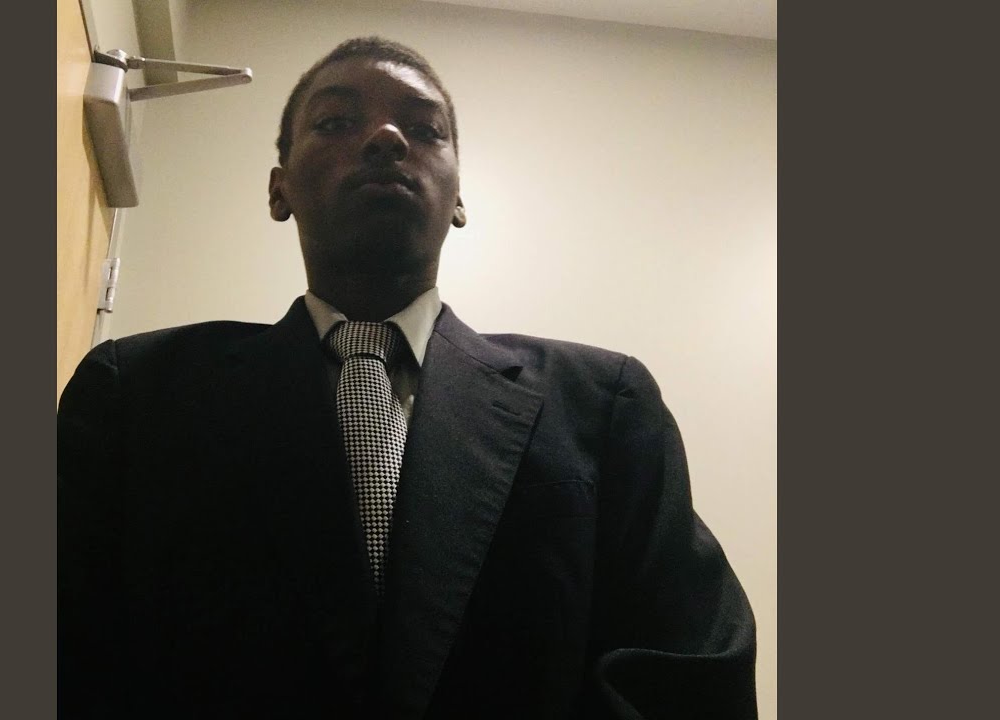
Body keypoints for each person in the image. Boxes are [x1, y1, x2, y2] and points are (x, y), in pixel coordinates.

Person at [59, 37, 757, 719]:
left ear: (459, 198)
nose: (387, 138)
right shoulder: (134, 395)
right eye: (336, 122)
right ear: (279, 190)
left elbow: (691, 665)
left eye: (425, 130)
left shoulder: (601, 405)